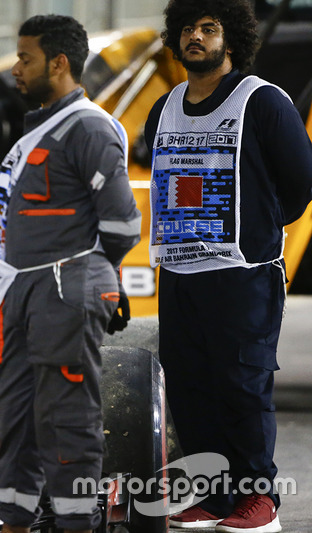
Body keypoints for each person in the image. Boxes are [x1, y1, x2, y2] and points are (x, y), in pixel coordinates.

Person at [145, 1, 312, 531]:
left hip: (242, 273)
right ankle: (214, 498)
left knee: (242, 386)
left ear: (232, 40)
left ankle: (259, 502)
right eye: (189, 28)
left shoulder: (261, 102)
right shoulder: (163, 107)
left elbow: (299, 186)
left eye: (210, 29)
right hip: (178, 273)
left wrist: (257, 228)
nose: (196, 37)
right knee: (192, 388)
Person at [0, 15, 141, 533]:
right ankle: (15, 522)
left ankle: (75, 525)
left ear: (59, 63)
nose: (16, 69)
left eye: (26, 58)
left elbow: (122, 226)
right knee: (13, 418)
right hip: (21, 290)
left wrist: (87, 275)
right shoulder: (41, 127)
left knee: (67, 419)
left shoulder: (89, 127)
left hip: (64, 290)